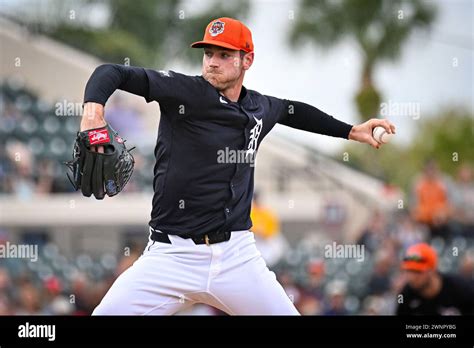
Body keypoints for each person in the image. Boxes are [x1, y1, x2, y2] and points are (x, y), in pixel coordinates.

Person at [82, 17, 396, 315]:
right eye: (208, 53)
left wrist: (352, 131)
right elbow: (111, 72)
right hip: (171, 255)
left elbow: (294, 112)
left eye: (224, 54)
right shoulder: (184, 92)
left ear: (247, 60)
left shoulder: (260, 106)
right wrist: (93, 114)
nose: (212, 62)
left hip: (236, 257)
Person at [396, 243, 474, 315]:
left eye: (417, 271)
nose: (411, 277)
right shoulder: (405, 295)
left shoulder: (461, 289)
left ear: (432, 270)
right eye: (408, 271)